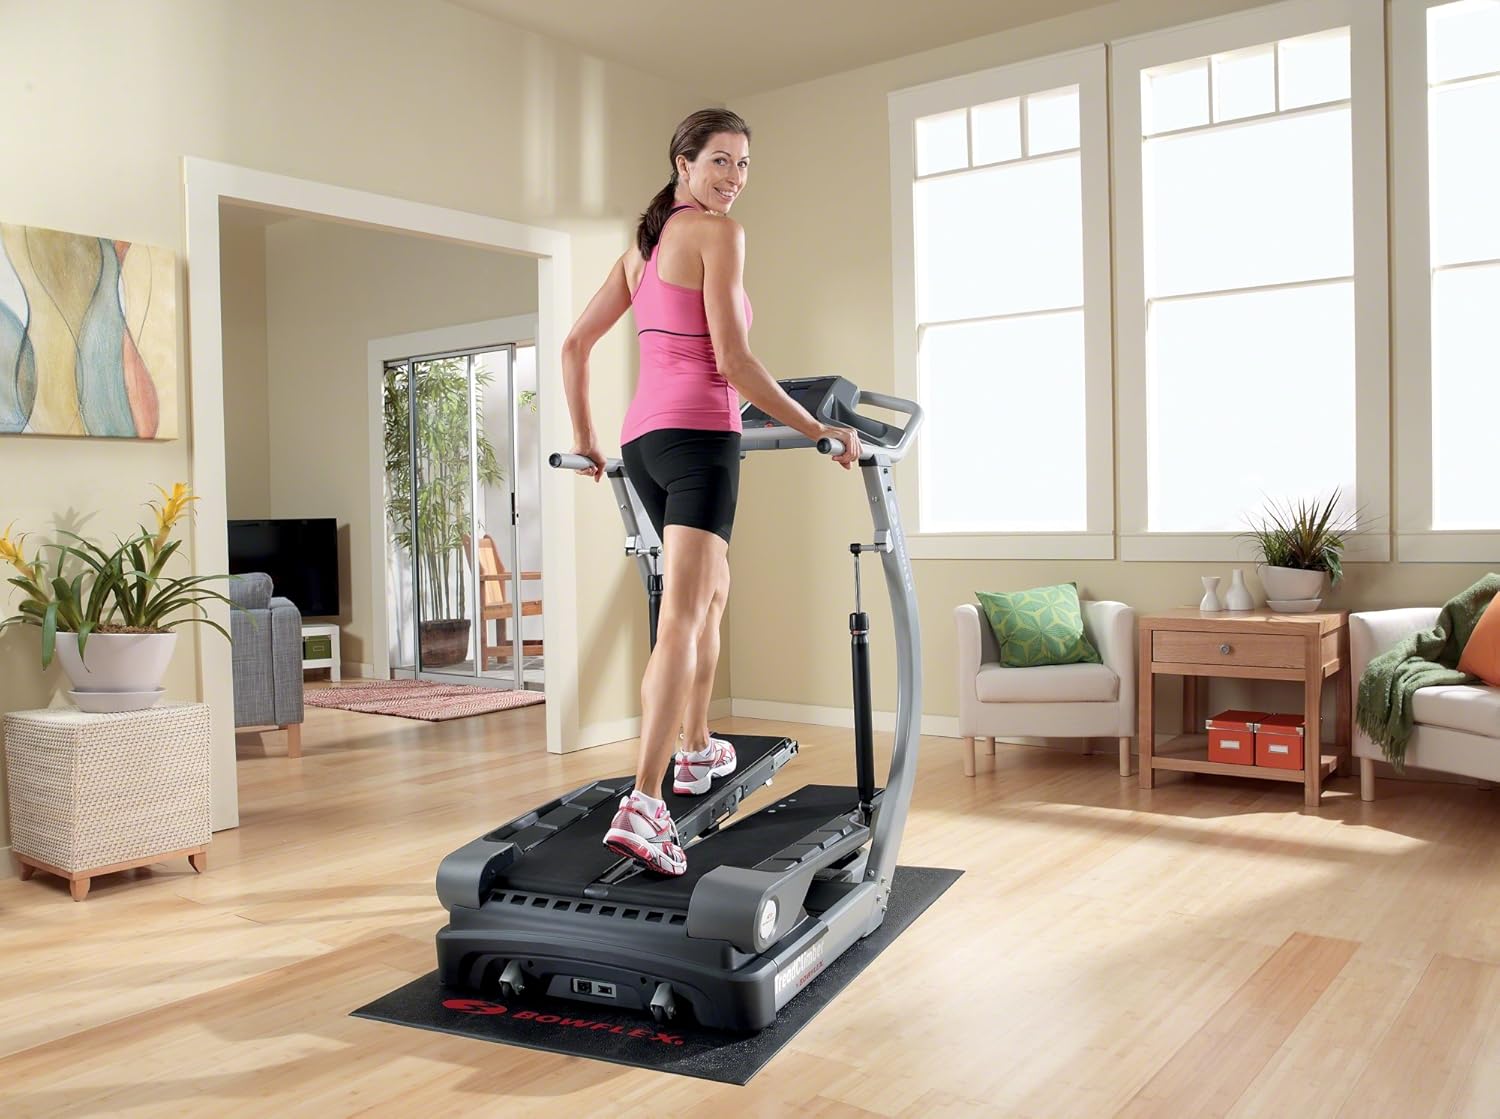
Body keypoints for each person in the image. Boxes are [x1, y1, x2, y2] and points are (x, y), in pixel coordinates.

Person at [560, 108, 863, 876]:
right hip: (700, 440)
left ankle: (696, 749)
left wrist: (591, 439)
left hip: (644, 442)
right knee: (683, 620)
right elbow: (732, 359)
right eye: (720, 161)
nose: (733, 179)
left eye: (744, 165)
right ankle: (645, 800)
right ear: (683, 164)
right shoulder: (720, 236)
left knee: (711, 592)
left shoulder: (642, 249)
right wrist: (818, 431)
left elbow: (575, 345)